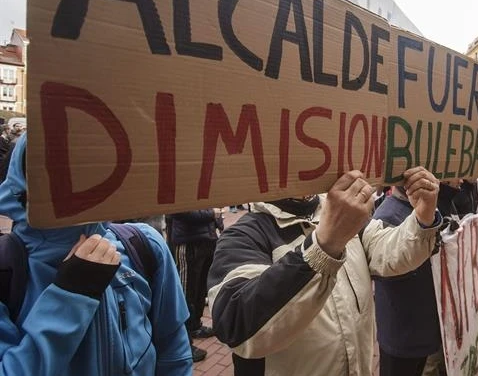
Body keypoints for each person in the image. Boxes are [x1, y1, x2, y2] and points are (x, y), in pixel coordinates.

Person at [207, 168, 441, 376]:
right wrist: (324, 246)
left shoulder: (342, 213)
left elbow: (389, 252)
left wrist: (423, 216)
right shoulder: (244, 235)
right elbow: (237, 326)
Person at [0, 134, 193, 375]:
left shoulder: (144, 244)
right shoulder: (7, 266)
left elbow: (173, 348)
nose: (75, 177)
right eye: (53, 162)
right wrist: (70, 298)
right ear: (22, 177)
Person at [373, 182, 461, 376]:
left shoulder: (424, 208)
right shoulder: (387, 214)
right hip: (401, 332)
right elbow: (387, 272)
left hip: (421, 326)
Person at [166, 208, 224, 361]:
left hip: (207, 240)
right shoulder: (179, 186)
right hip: (187, 242)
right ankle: (182, 343)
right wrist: (212, 214)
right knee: (185, 293)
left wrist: (217, 222)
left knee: (199, 291)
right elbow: (180, 211)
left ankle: (195, 326)